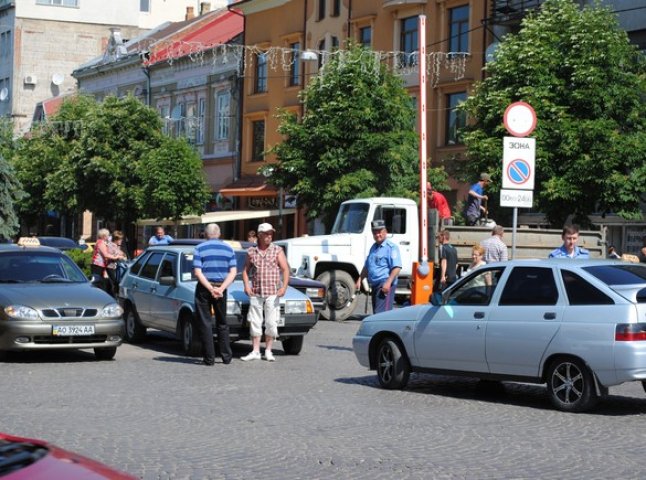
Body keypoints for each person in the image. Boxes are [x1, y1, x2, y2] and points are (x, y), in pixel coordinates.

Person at [241, 223, 290, 362]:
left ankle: (268, 350)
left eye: (271, 234)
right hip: (256, 291)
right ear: (260, 235)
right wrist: (246, 285)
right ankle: (255, 350)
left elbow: (285, 269)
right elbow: (245, 270)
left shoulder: (277, 250)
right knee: (255, 321)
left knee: (271, 322)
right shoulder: (251, 251)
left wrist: (284, 287)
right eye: (267, 234)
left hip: (272, 292)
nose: (269, 236)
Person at [193, 223, 237, 366]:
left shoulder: (199, 248)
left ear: (206, 234)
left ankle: (209, 358)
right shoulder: (229, 249)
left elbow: (198, 272)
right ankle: (226, 356)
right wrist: (221, 289)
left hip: (204, 288)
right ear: (219, 234)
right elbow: (233, 272)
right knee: (222, 322)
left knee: (205, 323)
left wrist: (210, 288)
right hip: (221, 288)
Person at [355, 219, 402, 314]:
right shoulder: (374, 247)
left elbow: (397, 267)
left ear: (385, 232)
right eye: (375, 233)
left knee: (382, 315)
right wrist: (360, 279)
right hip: (375, 285)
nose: (377, 235)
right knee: (377, 315)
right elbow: (367, 266)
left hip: (384, 285)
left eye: (380, 232)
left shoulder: (391, 248)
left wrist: (388, 283)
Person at [91, 228, 124, 294]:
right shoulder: (101, 243)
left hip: (99, 264)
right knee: (98, 281)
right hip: (98, 264)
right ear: (104, 236)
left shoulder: (101, 242)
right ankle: (96, 294)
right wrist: (116, 257)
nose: (109, 237)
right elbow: (106, 255)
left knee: (100, 281)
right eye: (108, 235)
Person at [105, 230, 128, 296]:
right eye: (120, 239)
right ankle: (113, 296)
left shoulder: (116, 245)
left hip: (115, 267)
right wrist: (119, 256)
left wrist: (122, 255)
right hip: (110, 267)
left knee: (117, 282)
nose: (121, 241)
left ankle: (115, 295)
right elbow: (110, 255)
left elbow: (121, 253)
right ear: (116, 239)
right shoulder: (110, 245)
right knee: (114, 283)